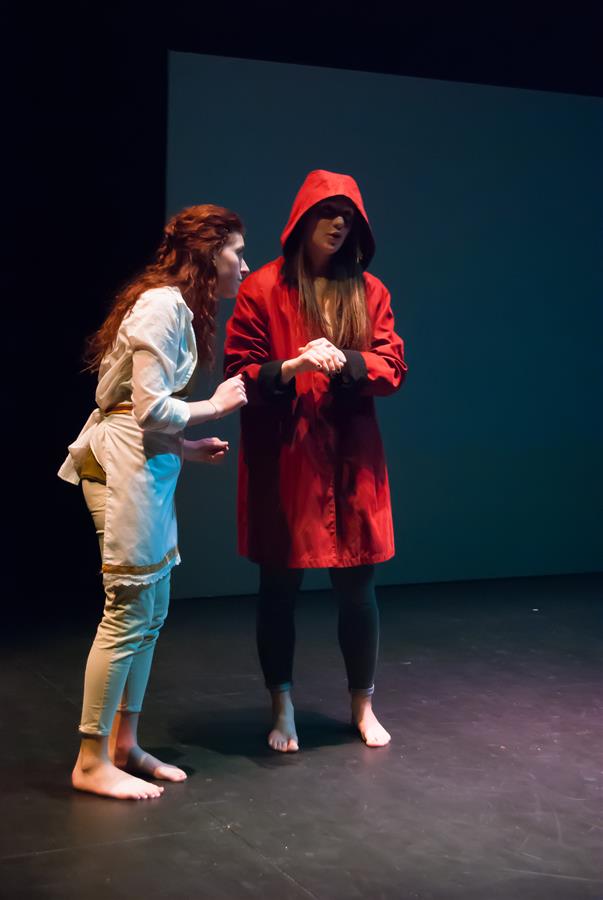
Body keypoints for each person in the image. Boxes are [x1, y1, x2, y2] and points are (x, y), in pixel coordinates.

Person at [59, 205, 249, 799]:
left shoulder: (178, 308)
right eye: (236, 252)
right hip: (124, 467)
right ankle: (90, 760)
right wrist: (213, 406)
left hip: (151, 465)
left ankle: (123, 744)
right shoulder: (163, 304)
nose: (243, 264)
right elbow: (144, 409)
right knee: (128, 610)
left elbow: (146, 414)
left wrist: (187, 449)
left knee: (153, 609)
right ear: (208, 253)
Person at [224, 170, 407, 753]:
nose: (337, 223)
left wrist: (347, 361)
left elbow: (391, 365)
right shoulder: (263, 290)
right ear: (303, 219)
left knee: (359, 587)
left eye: (347, 215)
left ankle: (363, 704)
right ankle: (283, 706)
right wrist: (295, 368)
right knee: (279, 586)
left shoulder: (369, 290)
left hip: (351, 462)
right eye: (327, 212)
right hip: (289, 460)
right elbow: (240, 371)